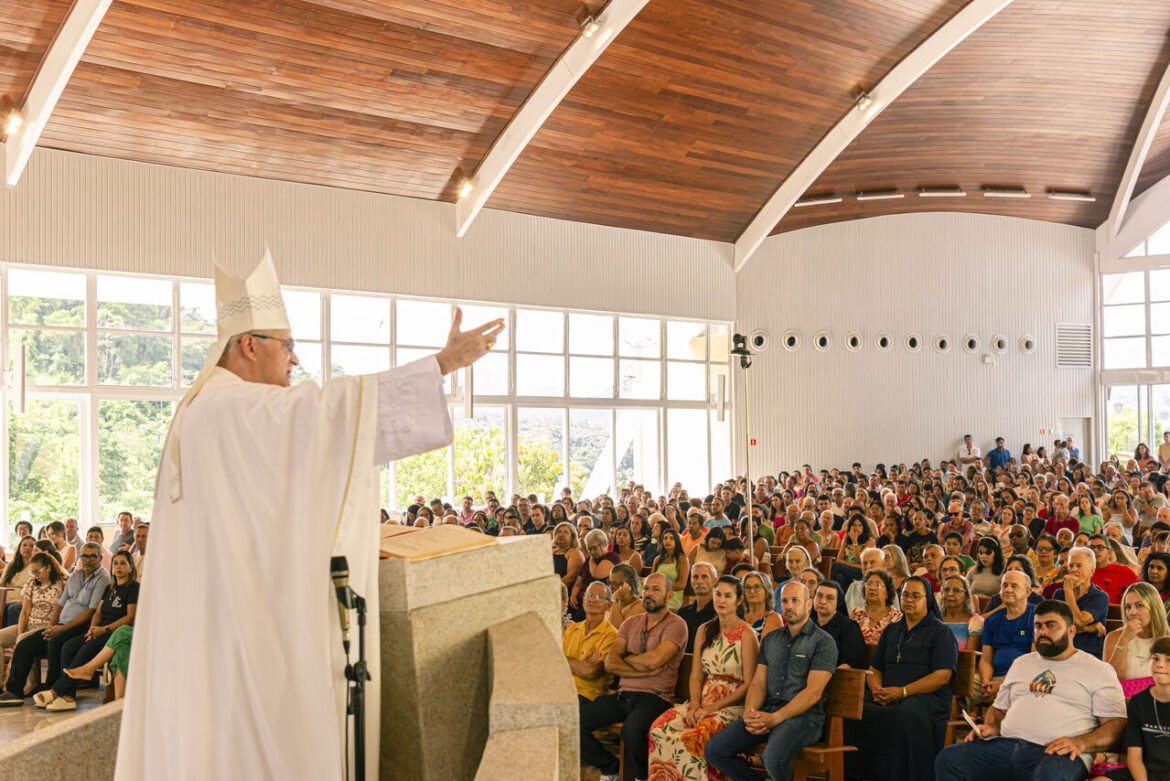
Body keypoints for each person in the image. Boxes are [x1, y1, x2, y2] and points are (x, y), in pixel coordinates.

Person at [114, 255, 502, 780]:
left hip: (211, 621)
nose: (294, 361)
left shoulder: (205, 408)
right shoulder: (232, 408)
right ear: (249, 344)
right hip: (240, 630)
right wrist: (443, 363)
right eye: (287, 344)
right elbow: (326, 416)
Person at [934, 600, 1126, 781]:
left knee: (1051, 775)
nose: (1042, 631)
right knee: (950, 759)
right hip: (1006, 746)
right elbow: (998, 710)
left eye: (1051, 625)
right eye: (1038, 626)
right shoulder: (1022, 663)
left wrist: (1081, 743)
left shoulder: (1097, 670)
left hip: (1056, 753)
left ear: (1071, 631)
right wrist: (992, 726)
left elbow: (1116, 725)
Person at [704, 581, 837, 781]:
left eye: (795, 600)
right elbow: (758, 683)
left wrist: (775, 719)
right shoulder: (771, 639)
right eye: (784, 601)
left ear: (809, 604)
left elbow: (813, 693)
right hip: (767, 712)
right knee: (715, 750)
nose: (789, 606)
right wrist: (750, 712)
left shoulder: (823, 642)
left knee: (773, 758)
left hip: (804, 718)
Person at [580, 572, 688, 781]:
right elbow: (611, 663)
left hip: (656, 698)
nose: (649, 593)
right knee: (573, 722)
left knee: (631, 731)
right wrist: (643, 665)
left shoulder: (676, 624)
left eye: (656, 589)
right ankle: (610, 767)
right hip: (623, 695)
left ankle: (642, 777)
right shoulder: (630, 623)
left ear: (669, 596)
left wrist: (627, 658)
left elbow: (655, 660)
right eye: (646, 588)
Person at [649, 576, 757, 780]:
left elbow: (750, 684)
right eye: (718, 594)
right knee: (659, 728)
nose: (721, 600)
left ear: (739, 600)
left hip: (732, 704)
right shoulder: (704, 630)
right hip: (703, 700)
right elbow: (696, 675)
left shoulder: (747, 635)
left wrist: (711, 709)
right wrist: (695, 705)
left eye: (728, 595)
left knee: (698, 734)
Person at [851, 577, 958, 781]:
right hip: (888, 693)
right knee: (855, 708)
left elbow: (942, 675)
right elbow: (875, 667)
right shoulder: (892, 629)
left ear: (927, 599)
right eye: (905, 595)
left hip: (926, 697)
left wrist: (902, 692)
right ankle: (860, 774)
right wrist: (876, 689)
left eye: (915, 596)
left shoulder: (940, 632)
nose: (909, 599)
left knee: (903, 713)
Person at [0, 541, 110, 705]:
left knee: (55, 643)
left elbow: (91, 611)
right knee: (25, 645)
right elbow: (61, 603)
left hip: (79, 626)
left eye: (92, 556)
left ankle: (52, 690)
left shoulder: (102, 578)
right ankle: (14, 692)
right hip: (59, 625)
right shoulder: (76, 575)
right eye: (84, 556)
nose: (87, 559)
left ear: (100, 558)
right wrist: (52, 626)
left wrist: (61, 628)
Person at [37, 550, 139, 710]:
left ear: (131, 567)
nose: (118, 567)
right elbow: (98, 612)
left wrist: (103, 629)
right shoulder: (110, 588)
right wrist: (93, 628)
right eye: (115, 563)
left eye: (123, 563)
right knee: (68, 647)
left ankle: (60, 692)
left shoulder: (133, 587)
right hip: (99, 630)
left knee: (86, 649)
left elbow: (130, 617)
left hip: (114, 632)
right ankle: (67, 695)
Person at [1104, 636, 1170, 781]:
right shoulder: (1139, 701)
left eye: (1168, 660)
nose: (1160, 665)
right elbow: (1134, 757)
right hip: (1141, 773)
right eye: (1156, 658)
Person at [0, 551, 67, 694]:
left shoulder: (62, 582)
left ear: (48, 568)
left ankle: (30, 681)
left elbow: (62, 610)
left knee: (24, 640)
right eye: (32, 572)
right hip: (30, 623)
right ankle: (1, 682)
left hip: (47, 627)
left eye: (37, 571)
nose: (34, 575)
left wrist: (21, 636)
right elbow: (25, 611)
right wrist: (19, 631)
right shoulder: (31, 583)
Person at [978, 570, 1035, 703]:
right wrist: (986, 682)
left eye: (1014, 586)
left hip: (1023, 678)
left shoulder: (1038, 617)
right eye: (1004, 585)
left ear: (1027, 592)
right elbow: (986, 659)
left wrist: (1002, 685)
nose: (1008, 590)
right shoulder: (992, 619)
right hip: (993, 678)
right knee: (962, 687)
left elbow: (1035, 661)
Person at [1104, 582, 1169, 689]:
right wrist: (1124, 640)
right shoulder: (1114, 637)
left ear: (1153, 608)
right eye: (1128, 607)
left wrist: (1129, 687)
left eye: (1139, 605)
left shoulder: (1167, 639)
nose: (1132, 612)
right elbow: (1109, 682)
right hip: (1122, 703)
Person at [563, 582, 617, 703]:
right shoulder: (573, 629)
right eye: (590, 595)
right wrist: (582, 664)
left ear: (609, 605)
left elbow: (590, 672)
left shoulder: (611, 635)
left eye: (599, 597)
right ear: (583, 600)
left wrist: (564, 660)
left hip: (589, 696)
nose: (593, 600)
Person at [1054, 547, 1110, 659]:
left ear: (1092, 571)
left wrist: (1068, 591)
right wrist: (1086, 629)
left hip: (1089, 654)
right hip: (1062, 651)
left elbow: (1078, 621)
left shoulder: (1099, 597)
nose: (1073, 570)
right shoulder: (1059, 594)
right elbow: (1056, 628)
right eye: (1071, 566)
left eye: (1079, 566)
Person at [812, 579, 868, 669]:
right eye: (819, 596)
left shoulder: (850, 627)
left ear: (837, 602)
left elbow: (852, 662)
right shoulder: (806, 623)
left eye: (829, 598)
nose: (823, 601)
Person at [851, 569, 902, 644]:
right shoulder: (857, 613)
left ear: (888, 592)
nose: (872, 588)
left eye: (878, 585)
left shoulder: (896, 618)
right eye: (869, 584)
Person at [845, 547, 899, 612]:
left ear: (883, 565)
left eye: (872, 562)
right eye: (864, 563)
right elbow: (850, 615)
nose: (867, 566)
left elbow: (896, 617)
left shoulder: (889, 588)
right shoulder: (854, 587)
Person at [1088, 533, 1139, 603]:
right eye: (1091, 547)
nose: (1095, 550)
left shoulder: (1123, 571)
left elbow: (1141, 589)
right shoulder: (1082, 570)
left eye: (1100, 547)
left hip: (1113, 611)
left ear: (1109, 552)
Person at [678, 562, 717, 653]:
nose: (699, 581)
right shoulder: (683, 614)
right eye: (695, 577)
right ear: (691, 581)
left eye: (704, 577)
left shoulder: (719, 614)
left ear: (714, 580)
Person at [938, 575, 981, 651]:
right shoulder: (935, 618)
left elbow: (968, 657)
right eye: (946, 590)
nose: (950, 594)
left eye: (956, 590)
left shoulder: (975, 621)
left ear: (966, 596)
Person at [0, 535, 36, 627]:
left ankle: (10, 637)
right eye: (24, 545)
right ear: (19, 547)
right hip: (5, 597)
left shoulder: (36, 566)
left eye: (31, 546)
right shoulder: (12, 565)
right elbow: (2, 582)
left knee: (11, 608)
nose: (28, 548)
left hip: (23, 599)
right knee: (4, 605)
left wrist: (25, 600)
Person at [652, 527, 689, 611]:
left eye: (671, 538)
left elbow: (682, 585)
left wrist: (662, 585)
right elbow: (652, 579)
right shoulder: (658, 559)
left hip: (673, 597)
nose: (667, 541)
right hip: (656, 594)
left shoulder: (682, 559)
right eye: (665, 538)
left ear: (676, 541)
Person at [743, 570, 781, 639]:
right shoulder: (738, 615)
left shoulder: (773, 618)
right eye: (747, 587)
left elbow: (764, 649)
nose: (751, 591)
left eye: (757, 587)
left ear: (767, 590)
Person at [606, 563, 644, 628]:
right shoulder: (610, 602)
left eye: (614, 584)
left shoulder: (640, 606)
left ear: (627, 585)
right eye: (609, 583)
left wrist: (616, 599)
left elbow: (618, 630)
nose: (610, 587)